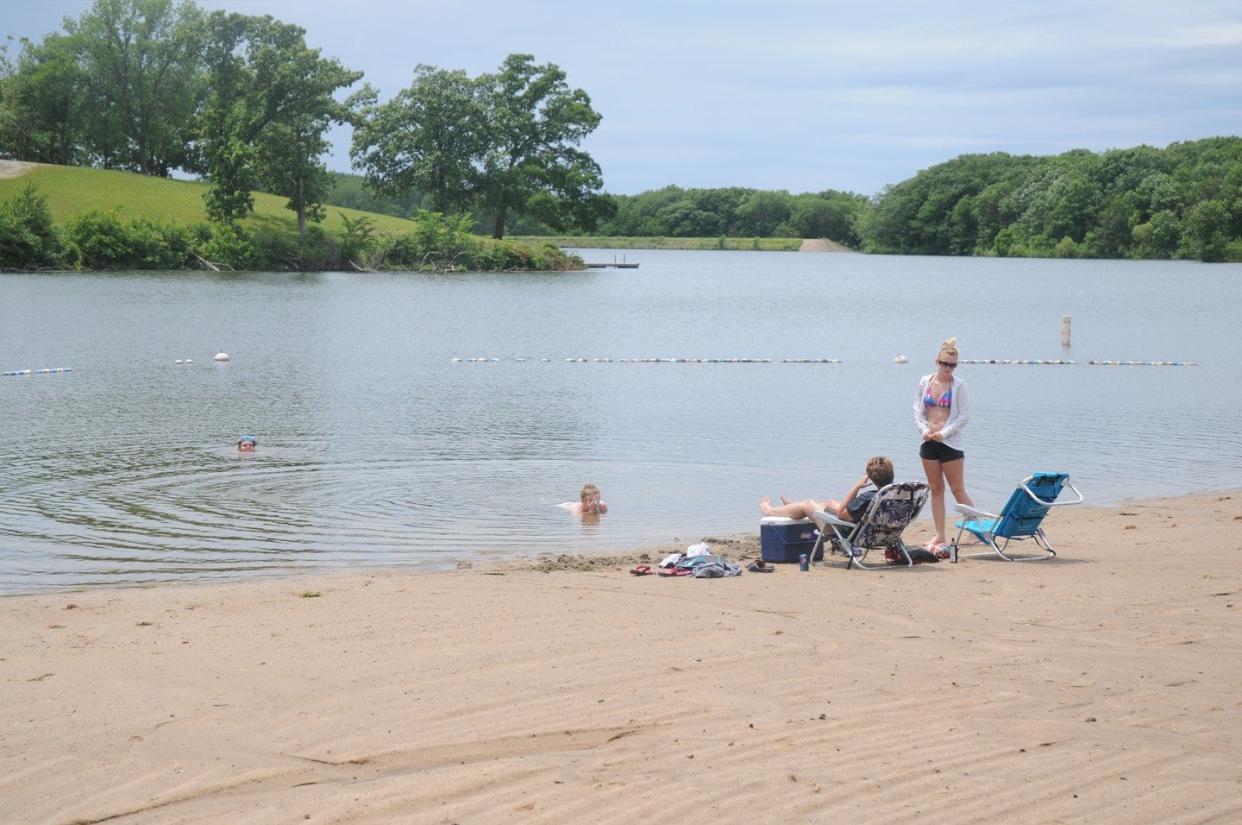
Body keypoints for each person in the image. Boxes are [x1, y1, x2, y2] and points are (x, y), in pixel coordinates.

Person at [914, 337, 974, 550]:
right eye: (944, 363)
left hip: (951, 444)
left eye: (952, 365)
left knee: (957, 489)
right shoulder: (925, 382)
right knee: (936, 489)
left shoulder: (959, 386)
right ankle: (939, 534)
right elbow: (918, 411)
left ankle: (974, 530)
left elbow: (964, 417)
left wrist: (944, 433)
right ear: (937, 361)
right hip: (929, 442)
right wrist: (924, 431)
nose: (948, 368)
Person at [759, 456, 894, 523]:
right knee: (828, 503)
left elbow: (841, 514)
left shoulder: (870, 497)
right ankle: (794, 508)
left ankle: (769, 510)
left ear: (870, 477)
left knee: (808, 503)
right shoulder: (894, 494)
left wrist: (856, 487)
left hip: (846, 530)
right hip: (874, 530)